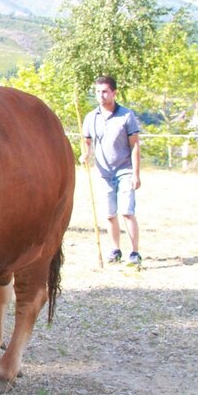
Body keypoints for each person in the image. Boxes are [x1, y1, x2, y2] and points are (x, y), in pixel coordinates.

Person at [80, 75, 143, 266]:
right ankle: (115, 250)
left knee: (126, 211)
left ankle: (134, 252)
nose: (101, 95)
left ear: (114, 93)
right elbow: (87, 141)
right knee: (109, 214)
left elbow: (135, 146)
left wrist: (136, 174)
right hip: (103, 172)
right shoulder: (91, 118)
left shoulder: (126, 116)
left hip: (124, 170)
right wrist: (86, 154)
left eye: (105, 91)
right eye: (98, 92)